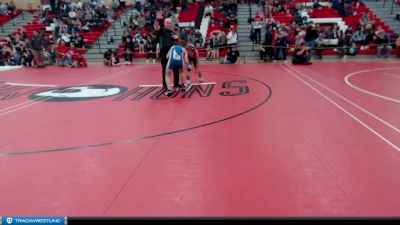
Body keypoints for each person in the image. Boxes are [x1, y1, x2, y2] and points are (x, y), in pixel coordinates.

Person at [154, 18, 180, 90]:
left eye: (170, 23)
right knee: (165, 69)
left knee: (176, 68)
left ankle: (176, 84)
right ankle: (165, 85)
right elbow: (158, 28)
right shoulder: (162, 30)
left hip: (173, 53)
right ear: (164, 24)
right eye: (167, 23)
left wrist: (176, 37)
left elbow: (177, 41)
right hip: (164, 53)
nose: (169, 24)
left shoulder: (172, 32)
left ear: (172, 24)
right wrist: (157, 24)